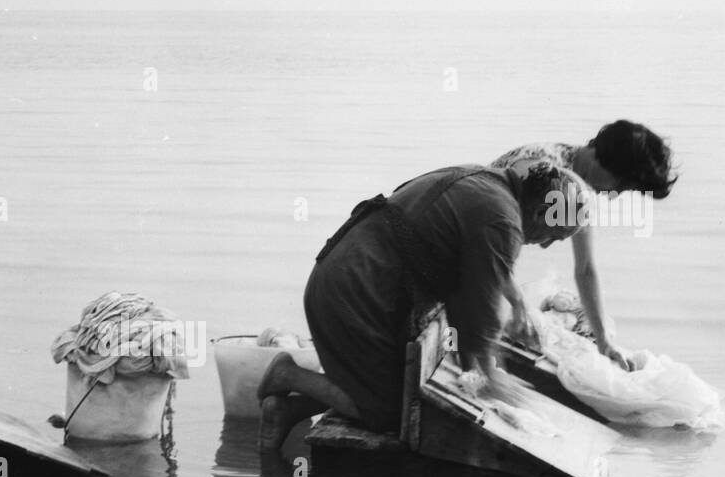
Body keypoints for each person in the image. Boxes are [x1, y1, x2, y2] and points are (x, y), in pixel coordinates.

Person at [256, 162, 587, 450]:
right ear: (544, 212)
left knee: (396, 394)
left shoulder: (491, 183)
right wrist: (490, 376)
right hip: (354, 291)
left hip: (350, 278)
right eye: (553, 235)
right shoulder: (501, 219)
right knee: (387, 414)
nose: (545, 244)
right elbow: (481, 310)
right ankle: (289, 374)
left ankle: (286, 412)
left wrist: (477, 364)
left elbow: (472, 285)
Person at [493, 121, 678, 371]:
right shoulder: (543, 171)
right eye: (621, 184)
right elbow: (490, 245)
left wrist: (604, 342)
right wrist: (517, 305)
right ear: (601, 158)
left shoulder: (580, 187)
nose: (615, 194)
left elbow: (586, 267)